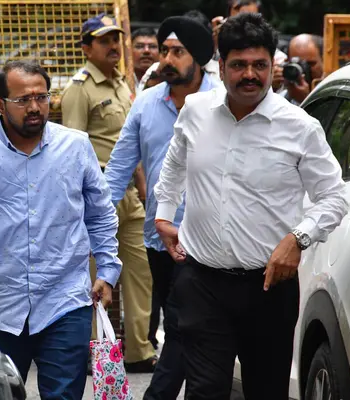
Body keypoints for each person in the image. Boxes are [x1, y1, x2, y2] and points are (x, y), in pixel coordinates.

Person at [153, 13, 347, 399]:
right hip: (202, 282)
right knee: (205, 390)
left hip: (268, 289)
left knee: (265, 391)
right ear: (221, 66)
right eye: (239, 65)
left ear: (271, 67)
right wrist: (163, 213)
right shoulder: (195, 111)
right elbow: (174, 164)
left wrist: (298, 239)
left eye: (260, 65)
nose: (250, 75)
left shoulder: (300, 127)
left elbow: (334, 196)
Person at [0, 60, 122, 398]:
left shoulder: (75, 146)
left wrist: (107, 269)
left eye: (41, 97)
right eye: (22, 100)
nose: (34, 108)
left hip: (65, 300)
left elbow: (100, 214)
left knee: (63, 394)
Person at [105, 15, 219, 400]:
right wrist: (92, 225)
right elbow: (118, 170)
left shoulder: (224, 99)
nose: (165, 59)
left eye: (177, 52)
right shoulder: (146, 104)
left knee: (184, 321)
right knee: (180, 323)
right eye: (165, 50)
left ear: (200, 58)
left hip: (209, 240)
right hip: (158, 239)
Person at [61, 13, 157, 372]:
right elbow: (71, 150)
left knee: (140, 272)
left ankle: (139, 351)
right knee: (89, 274)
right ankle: (87, 351)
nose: (114, 46)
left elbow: (131, 143)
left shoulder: (122, 83)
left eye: (116, 39)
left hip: (129, 194)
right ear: (86, 48)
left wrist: (143, 185)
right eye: (104, 40)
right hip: (95, 192)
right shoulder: (79, 89)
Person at [138, 10, 220, 92]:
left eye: (178, 51)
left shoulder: (218, 77)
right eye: (164, 50)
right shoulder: (155, 70)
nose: (168, 60)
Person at [280, 34, 324, 105]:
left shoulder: (334, 94)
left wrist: (305, 100)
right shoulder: (281, 100)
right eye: (298, 64)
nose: (303, 69)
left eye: (310, 64)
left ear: (324, 61)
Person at [131, 28, 160, 95]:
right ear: (129, 51)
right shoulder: (119, 79)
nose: (146, 51)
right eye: (139, 46)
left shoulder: (169, 82)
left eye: (152, 47)